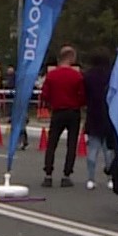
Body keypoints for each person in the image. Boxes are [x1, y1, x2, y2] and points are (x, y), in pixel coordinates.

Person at [39, 46, 86, 187]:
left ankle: (48, 174)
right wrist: (79, 104)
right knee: (71, 144)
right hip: (73, 112)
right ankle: (66, 175)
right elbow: (82, 96)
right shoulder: (77, 76)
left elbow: (45, 94)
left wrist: (50, 104)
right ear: (71, 57)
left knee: (52, 143)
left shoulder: (52, 75)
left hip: (58, 111)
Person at [80, 49, 113, 191]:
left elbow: (84, 95)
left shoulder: (87, 76)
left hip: (93, 115)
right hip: (108, 115)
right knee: (109, 151)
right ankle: (111, 179)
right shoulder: (112, 75)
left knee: (93, 150)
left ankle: (91, 179)